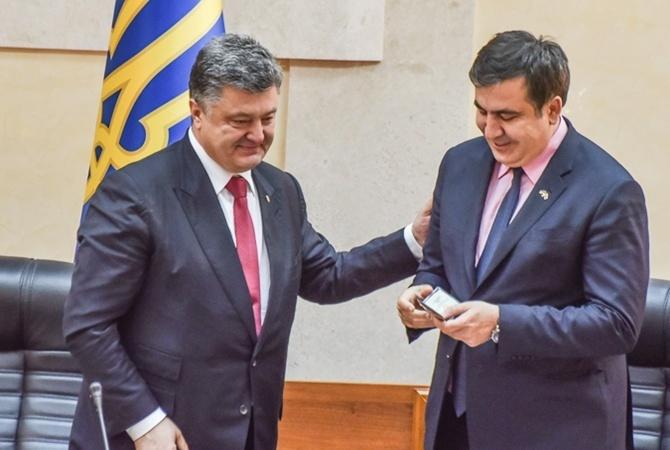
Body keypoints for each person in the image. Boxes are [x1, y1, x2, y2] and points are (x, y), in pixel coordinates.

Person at [64, 34, 428, 450]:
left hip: (251, 433)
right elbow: (88, 325)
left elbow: (328, 276)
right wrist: (145, 422)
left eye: (268, 118)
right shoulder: (134, 195)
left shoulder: (281, 190)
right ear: (197, 112)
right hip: (157, 435)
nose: (258, 135)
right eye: (240, 121)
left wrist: (413, 240)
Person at [397, 30, 649, 450]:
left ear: (552, 109)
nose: (490, 130)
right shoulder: (459, 164)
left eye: (507, 116)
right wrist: (420, 295)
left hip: (554, 429)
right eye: (481, 111)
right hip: (457, 419)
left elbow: (615, 323)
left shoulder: (608, 190)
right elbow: (439, 265)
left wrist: (501, 323)